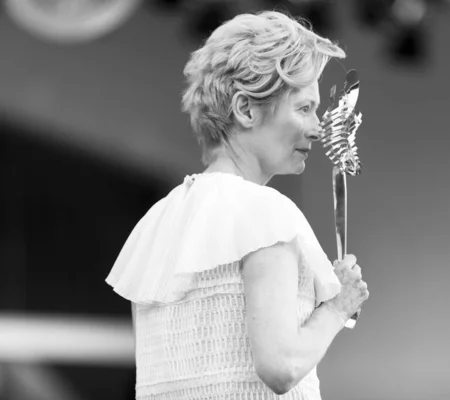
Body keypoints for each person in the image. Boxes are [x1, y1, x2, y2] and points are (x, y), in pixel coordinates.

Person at [106, 10, 369, 400]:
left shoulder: (156, 220)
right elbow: (282, 367)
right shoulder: (264, 212)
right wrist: (337, 309)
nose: (317, 127)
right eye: (304, 108)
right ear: (246, 109)